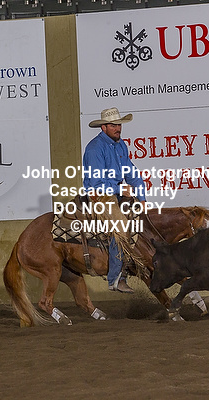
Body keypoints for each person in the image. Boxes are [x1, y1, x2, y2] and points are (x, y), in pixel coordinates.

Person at [83, 107, 147, 294]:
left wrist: (142, 197)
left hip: (117, 192)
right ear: (103, 127)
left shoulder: (121, 145)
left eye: (119, 124)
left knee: (143, 221)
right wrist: (120, 189)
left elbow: (131, 172)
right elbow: (96, 183)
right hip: (99, 195)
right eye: (113, 125)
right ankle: (116, 278)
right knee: (121, 226)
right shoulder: (95, 148)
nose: (118, 128)